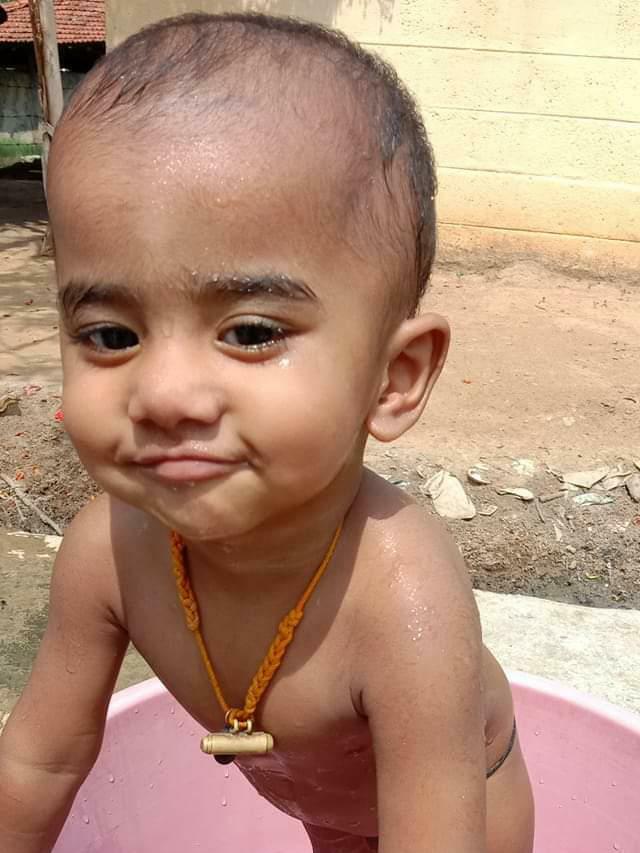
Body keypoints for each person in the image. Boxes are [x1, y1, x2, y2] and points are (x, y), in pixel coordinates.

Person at [0, 12, 534, 853]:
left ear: (393, 378)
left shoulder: (400, 594)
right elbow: (40, 762)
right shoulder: (107, 556)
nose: (164, 394)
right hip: (323, 804)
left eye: (250, 332)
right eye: (110, 334)